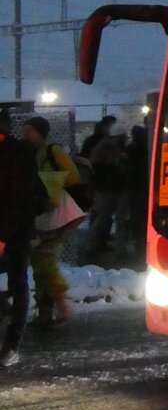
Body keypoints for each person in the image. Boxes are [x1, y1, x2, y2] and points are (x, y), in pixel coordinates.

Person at [0, 108, 50, 367]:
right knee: (16, 283)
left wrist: (4, 235)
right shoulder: (20, 153)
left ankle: (12, 344)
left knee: (18, 282)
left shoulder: (18, 154)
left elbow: (20, 200)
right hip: (11, 230)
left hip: (14, 232)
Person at [24, 116, 80, 327]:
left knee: (46, 261)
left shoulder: (52, 151)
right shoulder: (28, 153)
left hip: (55, 216)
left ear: (40, 132)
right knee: (39, 263)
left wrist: (51, 185)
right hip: (38, 215)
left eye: (29, 130)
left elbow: (73, 176)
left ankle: (61, 305)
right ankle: (46, 311)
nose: (25, 134)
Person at [87, 120, 130, 262]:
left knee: (102, 218)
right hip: (117, 188)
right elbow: (118, 168)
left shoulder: (100, 147)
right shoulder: (119, 149)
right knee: (121, 220)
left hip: (104, 189)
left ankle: (92, 245)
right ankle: (120, 250)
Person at [126, 124, 150, 265]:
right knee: (143, 222)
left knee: (137, 221)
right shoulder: (147, 150)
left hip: (134, 189)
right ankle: (141, 251)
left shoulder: (130, 150)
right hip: (143, 189)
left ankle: (138, 249)